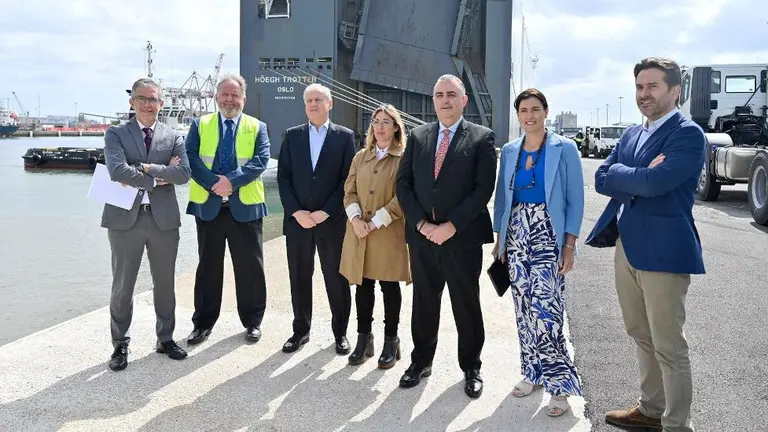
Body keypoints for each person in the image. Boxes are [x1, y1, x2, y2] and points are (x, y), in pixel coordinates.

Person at [586, 57, 706, 432]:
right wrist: (635, 173)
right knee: (640, 333)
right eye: (639, 87)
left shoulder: (687, 134)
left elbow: (656, 184)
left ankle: (676, 425)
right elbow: (602, 178)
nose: (644, 94)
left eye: (652, 86)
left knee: (669, 345)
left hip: (664, 252)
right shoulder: (631, 135)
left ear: (675, 91)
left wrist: (630, 175)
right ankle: (651, 410)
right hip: (628, 248)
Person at [395, 74, 496, 398]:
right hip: (423, 238)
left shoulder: (481, 138)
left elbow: (483, 189)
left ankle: (471, 367)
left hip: (462, 239)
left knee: (465, 303)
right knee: (424, 303)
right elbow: (403, 185)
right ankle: (420, 361)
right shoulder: (418, 136)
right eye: (439, 94)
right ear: (433, 100)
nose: (445, 100)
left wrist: (451, 226)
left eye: (451, 94)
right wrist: (423, 225)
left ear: (463, 99)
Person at [491, 88, 585, 416]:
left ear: (545, 112)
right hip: (516, 232)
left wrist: (569, 245)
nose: (529, 115)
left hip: (548, 232)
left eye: (535, 109)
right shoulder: (510, 150)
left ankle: (559, 386)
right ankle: (531, 371)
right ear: (517, 116)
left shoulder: (565, 148)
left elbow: (575, 199)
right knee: (523, 306)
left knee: (548, 310)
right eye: (523, 110)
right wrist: (499, 240)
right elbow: (502, 199)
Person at [102, 77, 191, 371]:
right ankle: (120, 344)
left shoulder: (173, 135)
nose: (148, 105)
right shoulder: (115, 134)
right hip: (125, 219)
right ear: (132, 101)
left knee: (165, 284)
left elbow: (184, 175)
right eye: (143, 98)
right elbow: (116, 171)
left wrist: (143, 169)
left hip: (164, 220)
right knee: (123, 285)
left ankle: (165, 338)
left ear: (161, 104)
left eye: (154, 100)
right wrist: (158, 176)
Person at [185, 73, 272, 345]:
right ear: (216, 97)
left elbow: (260, 160)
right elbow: (191, 157)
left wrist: (230, 183)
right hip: (209, 208)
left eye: (235, 95)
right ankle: (203, 324)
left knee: (250, 268)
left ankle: (253, 322)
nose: (229, 99)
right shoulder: (200, 125)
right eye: (225, 94)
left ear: (243, 99)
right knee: (208, 268)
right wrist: (215, 184)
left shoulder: (258, 127)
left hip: (245, 209)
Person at [277, 83, 356, 355]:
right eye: (309, 100)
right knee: (299, 278)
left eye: (318, 100)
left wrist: (327, 211)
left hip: (331, 222)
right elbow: (283, 178)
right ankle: (301, 331)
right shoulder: (292, 136)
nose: (313, 104)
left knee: (336, 278)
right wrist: (296, 212)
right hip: (298, 222)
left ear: (329, 104)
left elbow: (348, 180)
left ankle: (341, 333)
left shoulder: (344, 137)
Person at [339, 104, 411, 369]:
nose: (380, 127)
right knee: (363, 286)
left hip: (388, 231)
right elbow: (349, 191)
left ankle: (391, 340)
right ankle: (363, 338)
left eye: (386, 122)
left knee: (389, 287)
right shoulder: (361, 156)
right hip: (360, 232)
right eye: (376, 122)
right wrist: (356, 220)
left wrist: (377, 220)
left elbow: (404, 195)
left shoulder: (404, 157)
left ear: (395, 127)